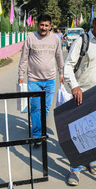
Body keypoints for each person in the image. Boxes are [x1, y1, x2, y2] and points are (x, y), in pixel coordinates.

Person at [63, 9, 96, 186]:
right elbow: (68, 66)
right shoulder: (82, 41)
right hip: (81, 93)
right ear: (94, 23)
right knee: (79, 132)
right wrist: (75, 86)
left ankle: (92, 160)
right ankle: (75, 168)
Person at [18, 14, 64, 146]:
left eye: (46, 25)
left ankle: (40, 129)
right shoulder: (30, 38)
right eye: (41, 25)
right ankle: (37, 135)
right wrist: (21, 75)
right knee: (35, 107)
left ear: (50, 26)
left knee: (46, 108)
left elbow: (59, 56)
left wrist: (62, 73)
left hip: (50, 80)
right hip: (34, 79)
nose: (44, 28)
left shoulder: (55, 39)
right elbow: (24, 57)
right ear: (37, 24)